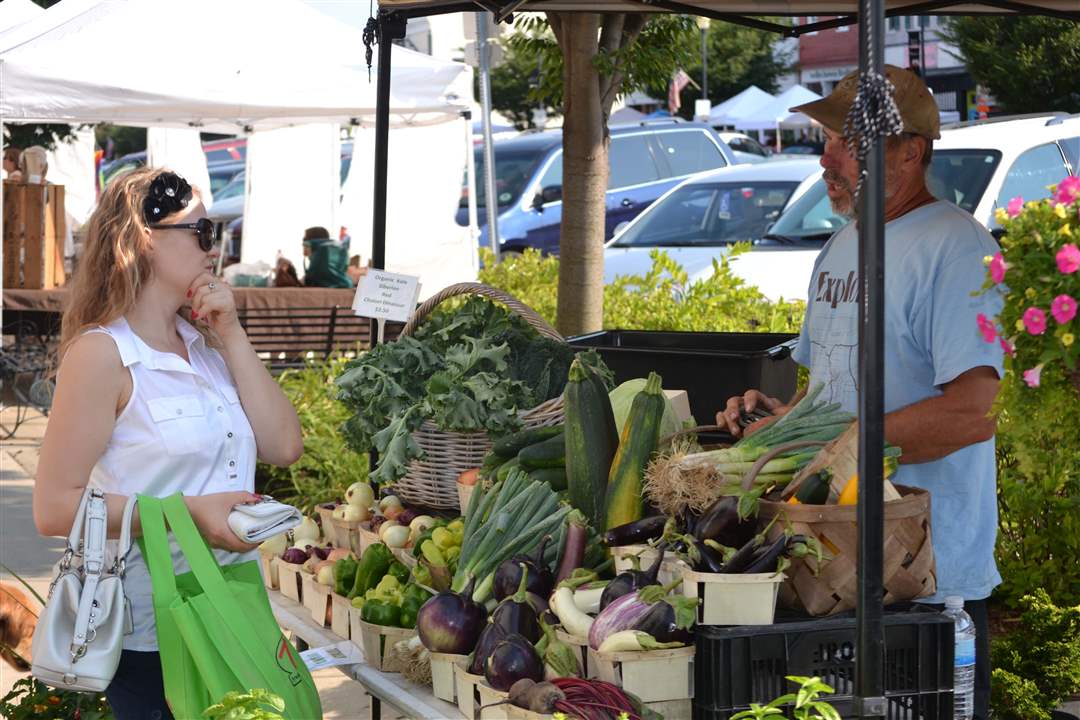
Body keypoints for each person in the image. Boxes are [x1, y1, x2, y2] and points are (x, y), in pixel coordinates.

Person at [718, 66, 1001, 720]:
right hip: (835, 576)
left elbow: (974, 414)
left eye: (851, 140)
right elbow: (828, 402)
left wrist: (849, 443)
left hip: (928, 584)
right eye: (830, 138)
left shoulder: (956, 248)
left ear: (910, 152)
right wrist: (778, 422)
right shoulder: (841, 248)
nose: (829, 156)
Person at [33, 168, 304, 719]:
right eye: (202, 230)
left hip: (229, 604)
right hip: (151, 629)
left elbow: (284, 446)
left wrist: (230, 333)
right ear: (143, 238)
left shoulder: (204, 346)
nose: (214, 247)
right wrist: (187, 513)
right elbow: (53, 507)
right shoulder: (102, 354)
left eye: (217, 230)